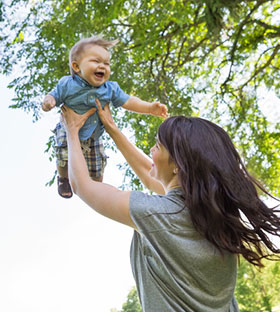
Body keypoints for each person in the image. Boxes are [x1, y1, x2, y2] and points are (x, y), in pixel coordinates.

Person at [60, 100, 280, 312]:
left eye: (157, 146)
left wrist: (71, 129)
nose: (151, 150)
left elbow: (81, 185)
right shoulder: (217, 220)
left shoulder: (156, 216)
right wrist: (112, 129)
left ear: (177, 164)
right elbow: (150, 175)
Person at [42, 35, 168, 198]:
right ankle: (63, 178)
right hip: (67, 132)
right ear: (77, 66)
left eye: (106, 63)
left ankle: (95, 185)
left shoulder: (110, 88)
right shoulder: (67, 84)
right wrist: (48, 102)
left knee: (98, 166)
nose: (103, 66)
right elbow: (54, 95)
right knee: (62, 155)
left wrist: (149, 108)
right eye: (96, 61)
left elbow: (129, 101)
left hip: (93, 137)